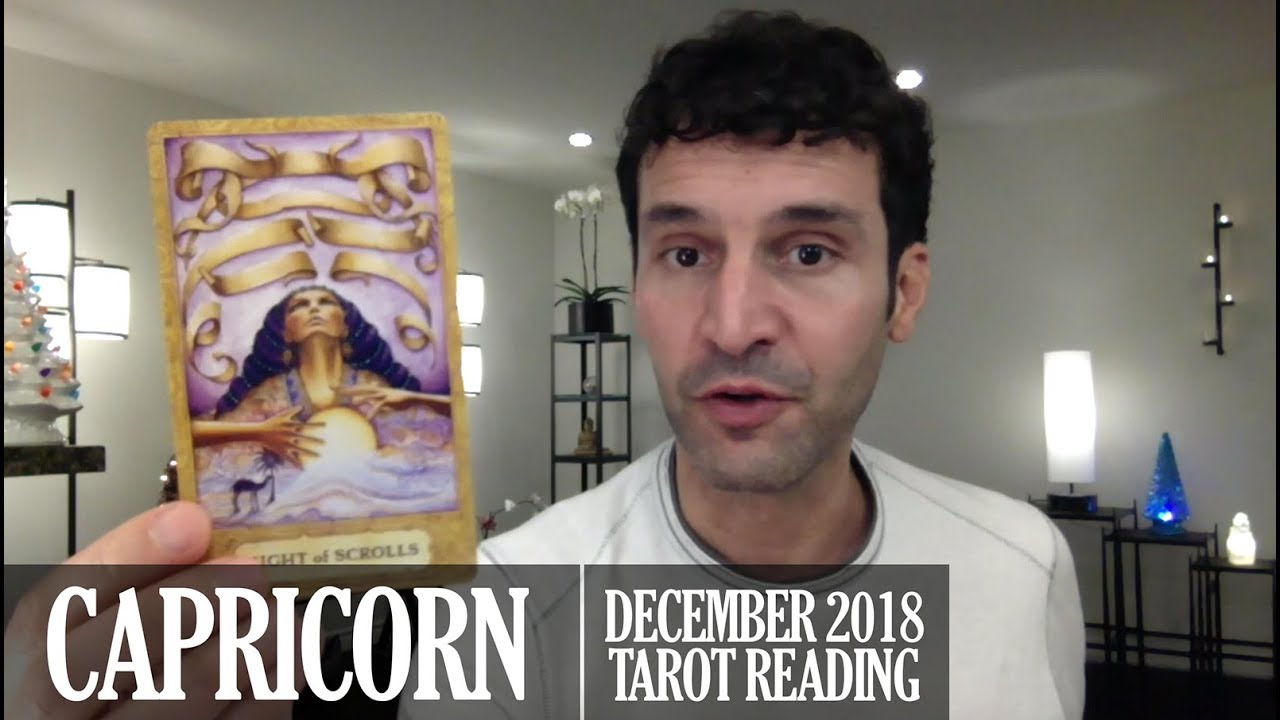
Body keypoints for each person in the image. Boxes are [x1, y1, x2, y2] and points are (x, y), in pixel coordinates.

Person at [2, 10, 1084, 720]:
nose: (732, 322)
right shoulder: (505, 603)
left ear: (904, 291)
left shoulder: (1021, 564)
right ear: (638, 283)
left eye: (807, 252)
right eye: (684, 253)